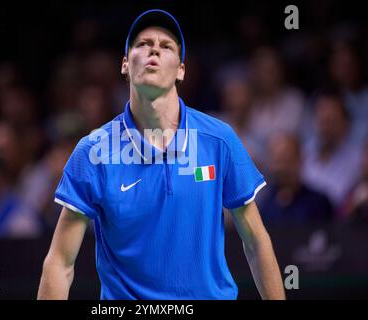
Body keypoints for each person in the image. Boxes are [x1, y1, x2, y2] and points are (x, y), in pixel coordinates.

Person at [38, 9, 285, 300]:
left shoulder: (219, 140)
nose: (154, 48)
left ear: (181, 70)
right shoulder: (93, 152)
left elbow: (256, 243)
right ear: (125, 65)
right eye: (143, 44)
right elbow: (60, 263)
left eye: (166, 46)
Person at [258, 133, 333, 225]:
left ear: (300, 159)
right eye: (277, 161)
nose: (282, 167)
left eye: (287, 160)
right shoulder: (265, 206)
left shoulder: (319, 204)